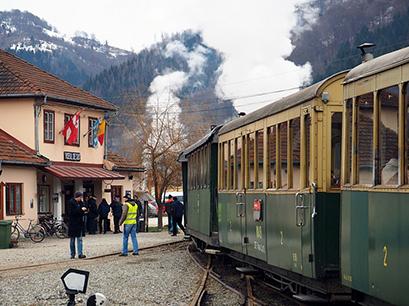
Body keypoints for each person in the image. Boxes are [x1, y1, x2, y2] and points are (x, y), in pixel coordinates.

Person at [68, 191, 88, 259]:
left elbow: (84, 208)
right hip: (73, 223)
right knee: (72, 239)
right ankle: (72, 254)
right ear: (77, 197)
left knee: (79, 239)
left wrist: (84, 210)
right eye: (80, 197)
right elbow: (72, 212)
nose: (81, 198)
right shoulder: (71, 202)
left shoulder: (81, 202)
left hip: (79, 223)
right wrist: (81, 209)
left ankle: (80, 254)